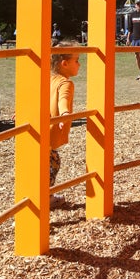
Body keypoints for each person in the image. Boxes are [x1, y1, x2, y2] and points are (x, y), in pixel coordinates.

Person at [50, 41, 81, 190]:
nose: (79, 64)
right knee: (53, 164)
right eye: (76, 60)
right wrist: (65, 113)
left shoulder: (47, 78)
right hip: (51, 131)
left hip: (41, 132)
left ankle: (43, 195)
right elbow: (64, 99)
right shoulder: (65, 83)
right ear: (64, 63)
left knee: (46, 163)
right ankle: (46, 196)